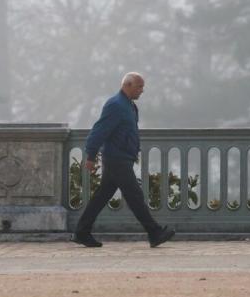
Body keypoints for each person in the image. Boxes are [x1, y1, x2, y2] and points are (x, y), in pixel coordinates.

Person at [71, 72, 175, 248]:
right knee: (134, 195)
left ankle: (81, 232)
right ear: (127, 85)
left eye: (142, 86)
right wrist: (90, 155)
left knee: (102, 196)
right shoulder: (116, 105)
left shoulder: (129, 105)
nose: (142, 90)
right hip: (116, 158)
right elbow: (99, 130)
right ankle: (154, 232)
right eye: (139, 86)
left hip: (122, 158)